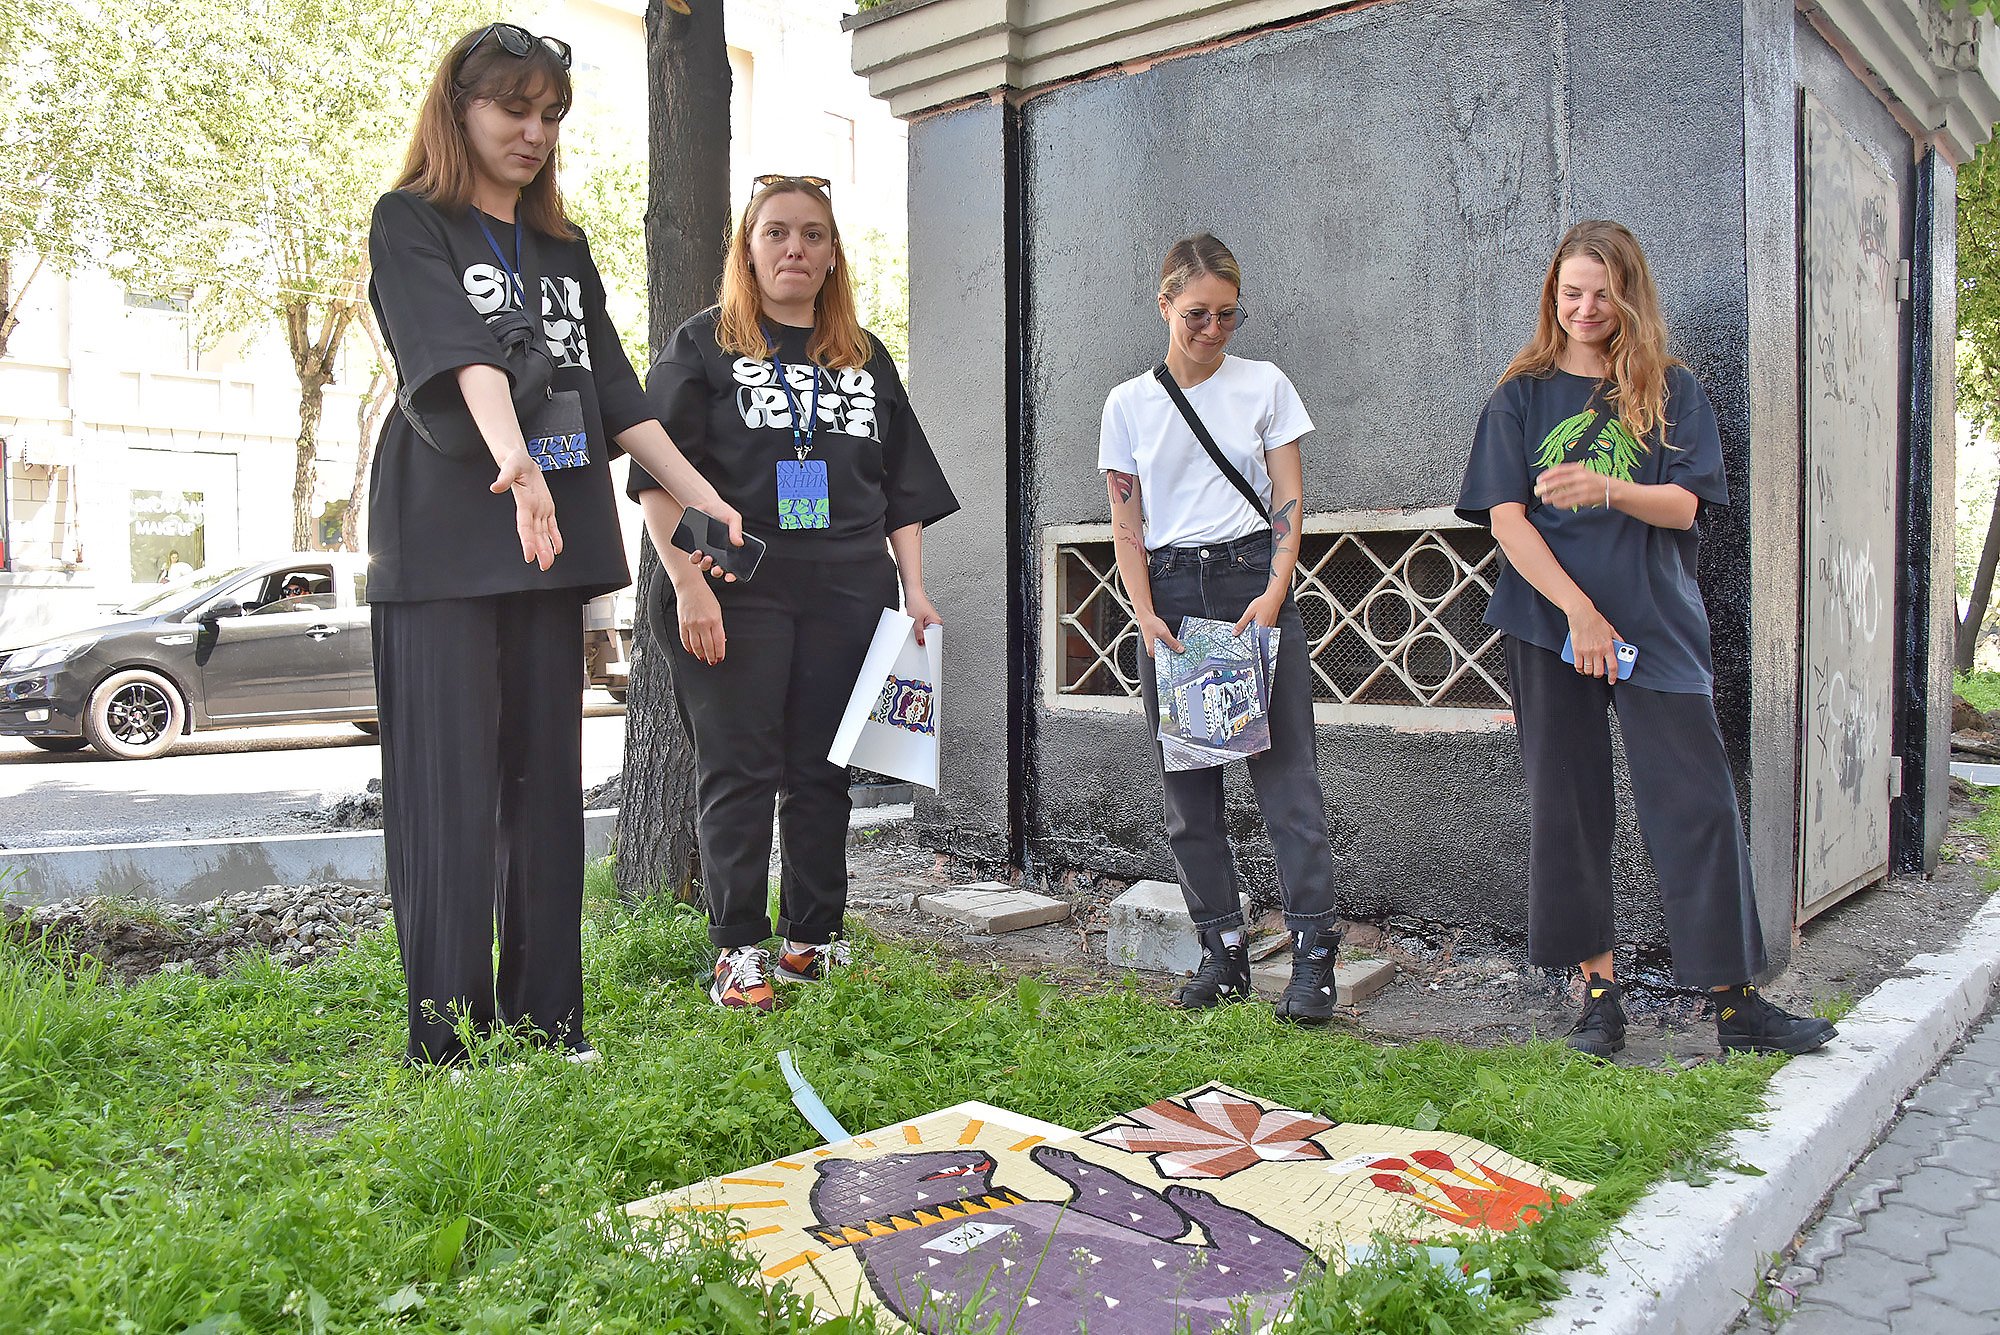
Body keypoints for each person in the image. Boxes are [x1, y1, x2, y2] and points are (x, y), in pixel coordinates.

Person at [365, 21, 740, 1065]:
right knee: (446, 796)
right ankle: (445, 1041)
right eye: (512, 108)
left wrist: (706, 496)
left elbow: (616, 391)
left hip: (547, 545)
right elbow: (458, 356)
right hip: (445, 541)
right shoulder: (411, 220)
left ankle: (546, 1023)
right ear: (459, 109)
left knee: (543, 790)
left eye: (550, 115)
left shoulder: (563, 249)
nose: (533, 132)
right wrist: (518, 464)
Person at [1455, 219, 1836, 1058]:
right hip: (1549, 623)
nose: (1585, 308)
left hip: (1658, 621)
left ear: (1629, 296)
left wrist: (1609, 488)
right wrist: (1578, 611)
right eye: (1571, 293)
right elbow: (1508, 522)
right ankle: (1599, 997)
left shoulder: (1671, 389)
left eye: (1602, 293)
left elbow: (1685, 505)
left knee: (1698, 800)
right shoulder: (1519, 396)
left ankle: (1736, 1003)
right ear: (1552, 296)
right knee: (1569, 804)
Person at [628, 173, 959, 1012]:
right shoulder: (703, 344)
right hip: (733, 584)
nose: (795, 249)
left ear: (833, 253)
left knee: (823, 771)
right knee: (739, 768)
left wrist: (915, 588)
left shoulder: (862, 354)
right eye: (776, 232)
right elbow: (657, 478)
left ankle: (812, 941)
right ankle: (736, 951)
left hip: (847, 585)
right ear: (749, 248)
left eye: (813, 234)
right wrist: (687, 586)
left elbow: (900, 486)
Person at [1097, 232, 1342, 1024]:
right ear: (1164, 304)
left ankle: (1313, 958)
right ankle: (1222, 951)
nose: (1212, 329)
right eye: (1197, 314)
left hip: (1250, 586)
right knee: (1189, 792)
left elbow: (1288, 500)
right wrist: (1143, 612)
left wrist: (1273, 595)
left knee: (1287, 783)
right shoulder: (1128, 403)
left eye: (1228, 315)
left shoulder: (1265, 384)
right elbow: (1126, 522)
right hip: (1169, 593)